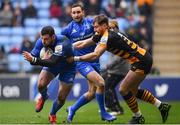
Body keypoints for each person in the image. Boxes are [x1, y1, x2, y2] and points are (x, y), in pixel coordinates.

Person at [70, 14, 171, 124]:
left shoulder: (107, 37)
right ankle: (161, 106)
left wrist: (75, 58)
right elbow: (85, 43)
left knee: (123, 89)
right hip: (141, 58)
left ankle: (138, 117)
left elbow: (95, 55)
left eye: (96, 27)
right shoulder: (102, 33)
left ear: (104, 26)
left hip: (141, 60)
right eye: (93, 27)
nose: (94, 29)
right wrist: (69, 46)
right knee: (133, 90)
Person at [61, 3, 116, 123]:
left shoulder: (91, 23)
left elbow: (104, 24)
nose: (76, 15)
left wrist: (110, 25)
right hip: (81, 62)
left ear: (83, 12)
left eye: (78, 12)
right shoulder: (67, 29)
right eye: (74, 13)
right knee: (101, 83)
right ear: (71, 14)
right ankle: (104, 113)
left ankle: (72, 108)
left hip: (95, 60)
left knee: (91, 93)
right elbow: (58, 41)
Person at [23, 26, 76, 124]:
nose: (43, 41)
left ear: (53, 37)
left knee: (61, 98)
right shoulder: (40, 42)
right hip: (53, 64)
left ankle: (52, 114)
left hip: (68, 67)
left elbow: (52, 62)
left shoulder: (62, 43)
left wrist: (36, 60)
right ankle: (43, 97)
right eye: (42, 38)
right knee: (40, 85)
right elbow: (32, 60)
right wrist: (33, 59)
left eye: (46, 39)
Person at [102, 20, 130, 116]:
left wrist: (108, 65)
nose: (110, 29)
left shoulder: (120, 37)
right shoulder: (113, 37)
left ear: (116, 27)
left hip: (120, 69)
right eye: (109, 28)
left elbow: (120, 57)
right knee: (105, 84)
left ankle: (117, 109)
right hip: (116, 68)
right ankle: (109, 105)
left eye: (112, 27)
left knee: (108, 86)